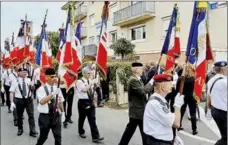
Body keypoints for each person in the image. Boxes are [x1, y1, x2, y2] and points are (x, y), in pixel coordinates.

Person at [118, 62, 154, 145]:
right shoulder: (133, 80)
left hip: (139, 110)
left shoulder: (138, 79)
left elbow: (145, 90)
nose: (142, 70)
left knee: (133, 130)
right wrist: (152, 81)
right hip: (137, 110)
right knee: (137, 131)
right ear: (136, 70)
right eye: (141, 69)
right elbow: (143, 91)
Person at [143, 74, 184, 145]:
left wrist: (173, 136)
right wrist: (177, 106)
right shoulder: (156, 104)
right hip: (158, 142)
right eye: (170, 84)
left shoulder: (160, 100)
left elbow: (167, 121)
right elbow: (176, 124)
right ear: (162, 87)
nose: (172, 86)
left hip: (160, 140)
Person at [35, 68, 65, 145]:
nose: (54, 78)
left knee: (58, 137)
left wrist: (63, 112)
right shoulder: (41, 89)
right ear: (47, 77)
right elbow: (42, 102)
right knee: (43, 137)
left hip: (56, 115)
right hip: (45, 116)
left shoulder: (57, 88)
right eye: (52, 77)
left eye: (55, 76)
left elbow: (60, 101)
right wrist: (52, 94)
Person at [76, 67, 104, 143]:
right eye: (88, 73)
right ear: (84, 73)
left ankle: (95, 137)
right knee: (82, 118)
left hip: (90, 101)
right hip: (83, 102)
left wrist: (96, 85)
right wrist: (91, 83)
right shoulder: (79, 81)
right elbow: (84, 90)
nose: (90, 74)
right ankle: (81, 131)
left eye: (90, 73)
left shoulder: (90, 80)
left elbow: (94, 90)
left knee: (92, 120)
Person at [9, 68, 37, 137]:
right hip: (19, 100)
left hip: (29, 99)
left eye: (25, 72)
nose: (25, 73)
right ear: (18, 73)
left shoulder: (28, 80)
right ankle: (20, 129)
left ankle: (32, 130)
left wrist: (32, 85)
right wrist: (12, 102)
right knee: (19, 116)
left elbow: (32, 90)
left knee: (31, 115)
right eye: (23, 72)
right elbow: (11, 92)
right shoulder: (15, 81)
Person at [207, 61, 227, 145]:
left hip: (215, 110)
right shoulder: (225, 82)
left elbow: (209, 98)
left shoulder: (211, 80)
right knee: (225, 138)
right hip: (223, 113)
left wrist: (209, 109)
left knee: (225, 136)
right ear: (223, 69)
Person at [176, 64, 198, 135]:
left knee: (181, 112)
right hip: (192, 97)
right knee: (193, 113)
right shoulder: (194, 79)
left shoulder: (181, 79)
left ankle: (179, 125)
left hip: (183, 97)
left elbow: (177, 89)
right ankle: (194, 129)